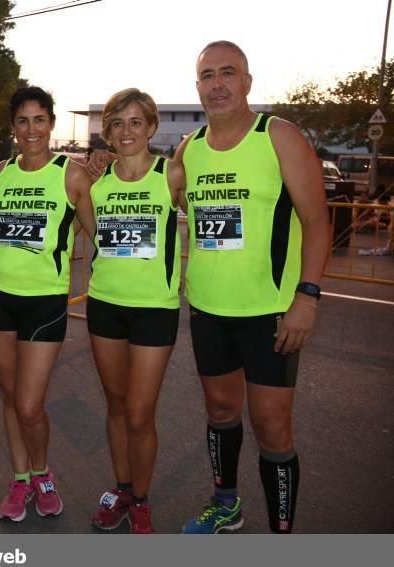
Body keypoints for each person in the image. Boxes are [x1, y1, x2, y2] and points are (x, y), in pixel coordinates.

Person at [177, 41, 330, 533]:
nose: (216, 84)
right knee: (220, 410)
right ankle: (227, 505)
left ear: (247, 81)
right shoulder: (189, 149)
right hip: (208, 309)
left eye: (227, 73)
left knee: (272, 429)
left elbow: (318, 221)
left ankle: (280, 535)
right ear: (197, 85)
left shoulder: (278, 135)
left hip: (270, 313)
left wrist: (306, 297)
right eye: (207, 75)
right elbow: (161, 199)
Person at [0, 86, 94, 522]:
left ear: (51, 123)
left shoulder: (72, 174)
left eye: (40, 120)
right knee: (10, 397)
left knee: (30, 403)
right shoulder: (0, 174)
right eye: (23, 121)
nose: (31, 129)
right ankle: (20, 478)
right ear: (13, 127)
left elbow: (100, 235)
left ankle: (43, 473)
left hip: (45, 301)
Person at [85, 89, 185, 534]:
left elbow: (213, 220)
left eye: (135, 122)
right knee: (116, 404)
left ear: (151, 127)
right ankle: (122, 487)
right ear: (107, 130)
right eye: (117, 123)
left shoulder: (172, 175)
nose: (126, 132)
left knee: (141, 414)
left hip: (154, 309)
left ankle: (140, 500)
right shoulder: (96, 181)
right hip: (105, 303)